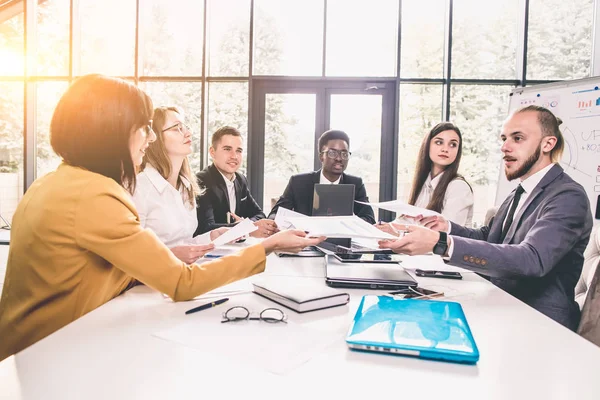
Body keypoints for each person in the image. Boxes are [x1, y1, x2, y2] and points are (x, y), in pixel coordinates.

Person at [0, 74, 324, 362]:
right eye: (143, 128)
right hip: (52, 355)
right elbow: (182, 283)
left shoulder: (55, 183)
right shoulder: (96, 195)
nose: (150, 137)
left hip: (41, 346)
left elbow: (99, 271)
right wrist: (267, 246)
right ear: (111, 132)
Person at [379, 105, 593, 331]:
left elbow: (532, 259)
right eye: (504, 138)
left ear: (548, 144)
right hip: (500, 304)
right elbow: (489, 236)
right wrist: (446, 228)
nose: (505, 147)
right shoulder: (520, 191)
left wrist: (440, 243)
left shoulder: (567, 196)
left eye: (517, 138)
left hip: (538, 321)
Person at [132, 106, 226, 264]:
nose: (188, 133)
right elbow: (129, 256)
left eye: (185, 127)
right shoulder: (139, 188)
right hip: (150, 285)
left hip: (184, 276)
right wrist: (169, 256)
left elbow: (184, 245)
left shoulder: (186, 186)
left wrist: (212, 236)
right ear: (155, 138)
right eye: (177, 128)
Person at [268, 129, 375, 224]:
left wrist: (349, 223)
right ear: (321, 157)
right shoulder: (298, 182)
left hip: (340, 243)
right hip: (304, 242)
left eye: (344, 154)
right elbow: (275, 215)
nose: (339, 158)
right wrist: (272, 224)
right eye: (332, 153)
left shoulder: (355, 183)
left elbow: (369, 218)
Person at [195, 126, 278, 238]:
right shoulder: (201, 181)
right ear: (212, 152)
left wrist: (247, 224)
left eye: (238, 151)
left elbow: (259, 214)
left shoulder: (240, 179)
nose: (234, 156)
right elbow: (205, 227)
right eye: (227, 149)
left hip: (236, 246)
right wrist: (245, 227)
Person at [398, 122, 473, 227]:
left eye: (453, 145)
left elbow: (444, 233)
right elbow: (405, 221)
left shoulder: (458, 187)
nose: (445, 149)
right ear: (428, 145)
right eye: (439, 142)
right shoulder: (424, 183)